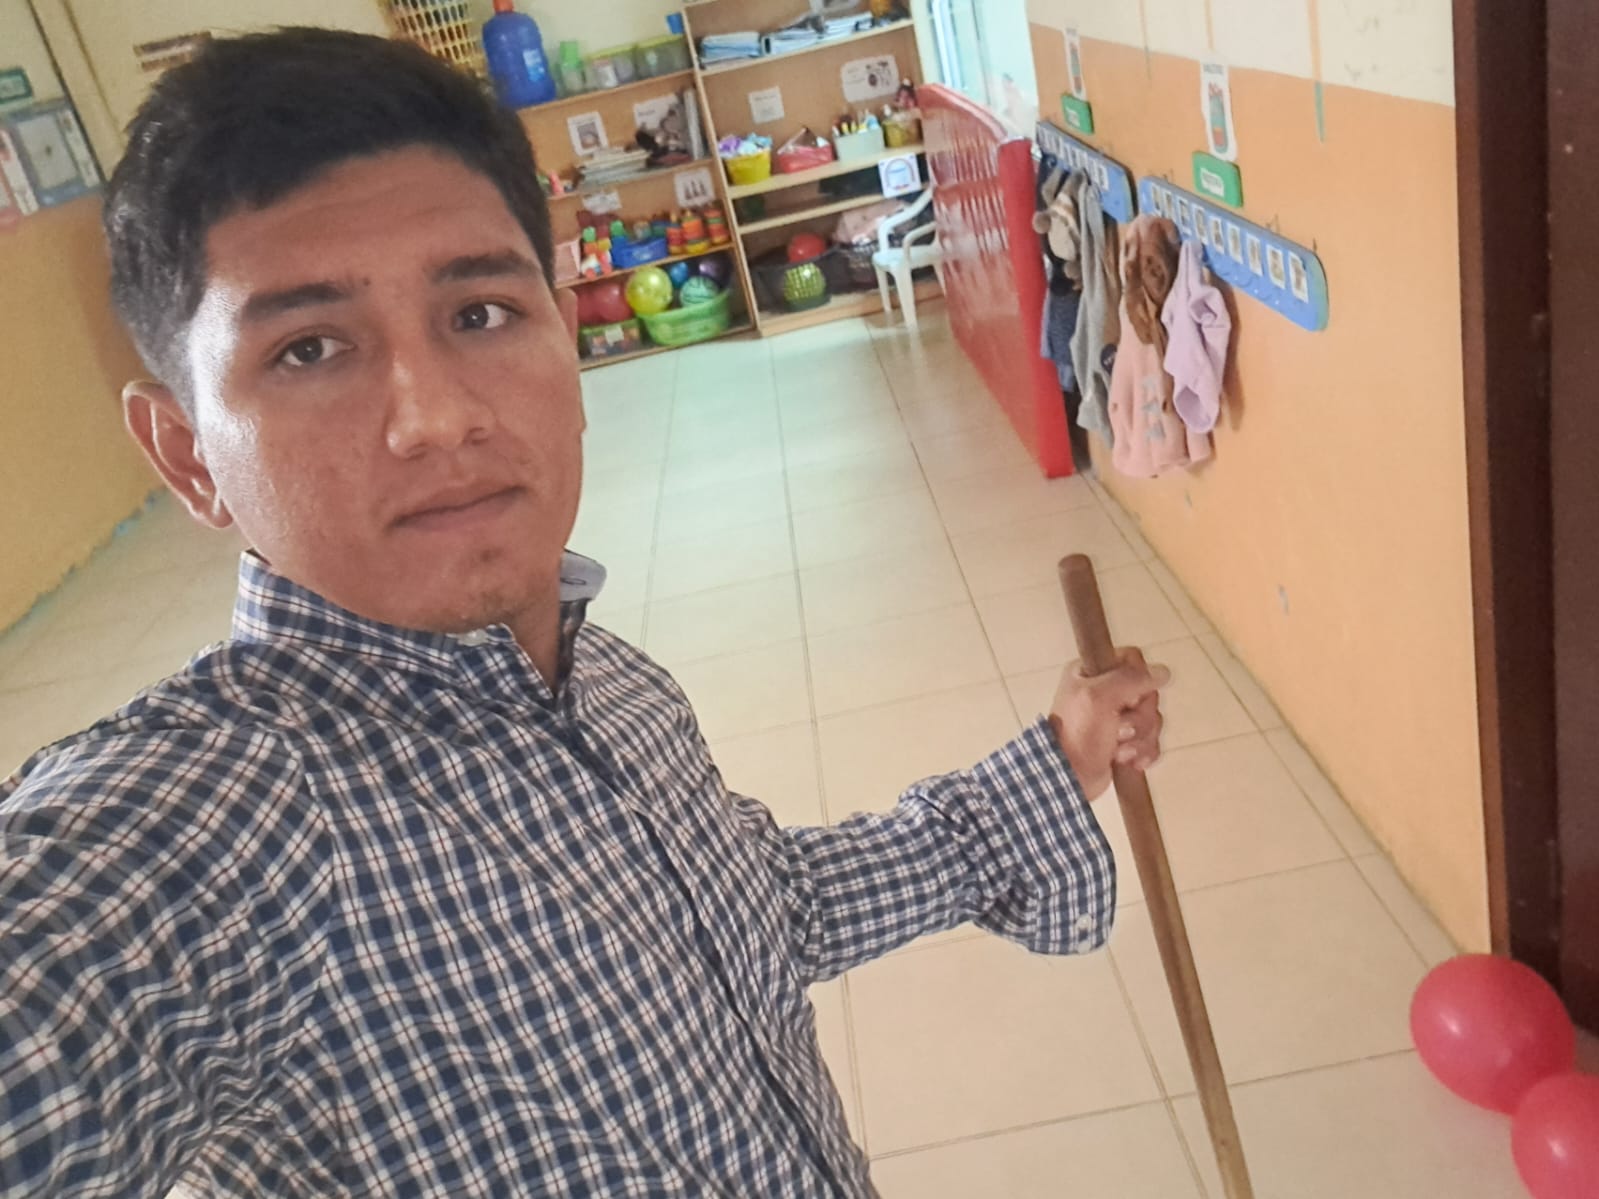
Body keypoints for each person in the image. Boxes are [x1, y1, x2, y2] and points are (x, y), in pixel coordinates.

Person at [0, 28, 1166, 1198]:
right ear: (187, 453)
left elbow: (752, 912)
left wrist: (1047, 769)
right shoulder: (215, 827)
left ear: (564, 335)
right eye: (308, 349)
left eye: (480, 314)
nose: (437, 416)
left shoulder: (612, 689)